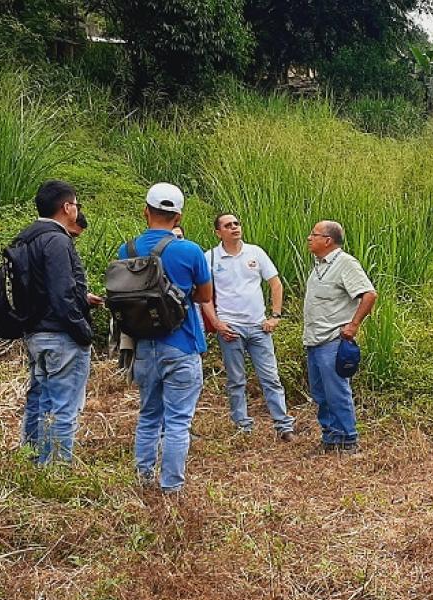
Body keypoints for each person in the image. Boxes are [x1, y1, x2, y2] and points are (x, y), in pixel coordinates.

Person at [117, 183, 212, 494]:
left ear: (146, 211)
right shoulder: (190, 250)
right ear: (178, 216)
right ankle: (171, 487)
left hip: (143, 346)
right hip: (181, 344)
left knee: (148, 416)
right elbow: (205, 295)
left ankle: (143, 479)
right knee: (177, 422)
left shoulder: (127, 250)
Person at [20, 180, 103, 464]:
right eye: (75, 204)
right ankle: (55, 471)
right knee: (63, 408)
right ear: (67, 207)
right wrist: (83, 331)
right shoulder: (56, 240)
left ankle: (33, 462)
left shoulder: (26, 237)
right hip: (60, 335)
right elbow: (61, 293)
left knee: (41, 402)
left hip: (34, 332)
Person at [199, 213, 296, 441]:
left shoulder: (255, 252)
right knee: (236, 379)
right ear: (218, 232)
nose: (234, 228)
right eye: (227, 225)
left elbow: (275, 283)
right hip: (230, 327)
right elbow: (204, 296)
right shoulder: (210, 257)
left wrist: (275, 316)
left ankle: (283, 425)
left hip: (259, 327)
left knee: (270, 377)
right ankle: (243, 426)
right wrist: (217, 323)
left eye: (236, 224)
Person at [302, 220, 377, 454]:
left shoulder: (345, 264)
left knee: (337, 392)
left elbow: (369, 295)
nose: (309, 238)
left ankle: (348, 439)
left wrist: (353, 325)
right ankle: (331, 438)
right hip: (314, 340)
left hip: (333, 340)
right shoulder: (319, 265)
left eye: (313, 234)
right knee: (320, 393)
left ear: (328, 240)